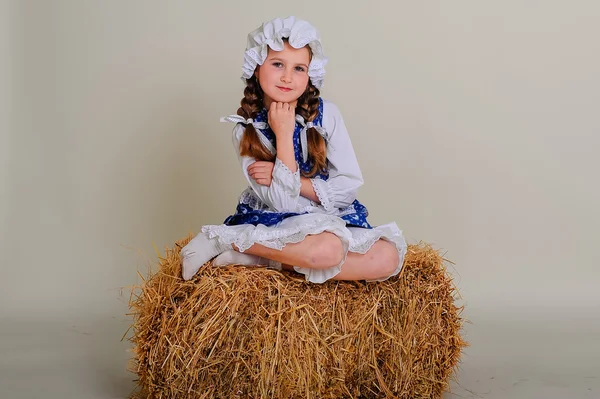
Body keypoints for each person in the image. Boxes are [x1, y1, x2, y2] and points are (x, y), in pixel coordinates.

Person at [181, 16, 407, 283]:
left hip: (328, 216)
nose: (288, 77)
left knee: (387, 257)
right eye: (278, 64)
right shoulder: (246, 129)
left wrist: (297, 183)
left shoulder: (327, 115)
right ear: (256, 67)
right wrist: (284, 133)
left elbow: (348, 186)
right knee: (329, 249)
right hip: (277, 223)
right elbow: (283, 203)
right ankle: (222, 238)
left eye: (299, 68)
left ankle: (263, 258)